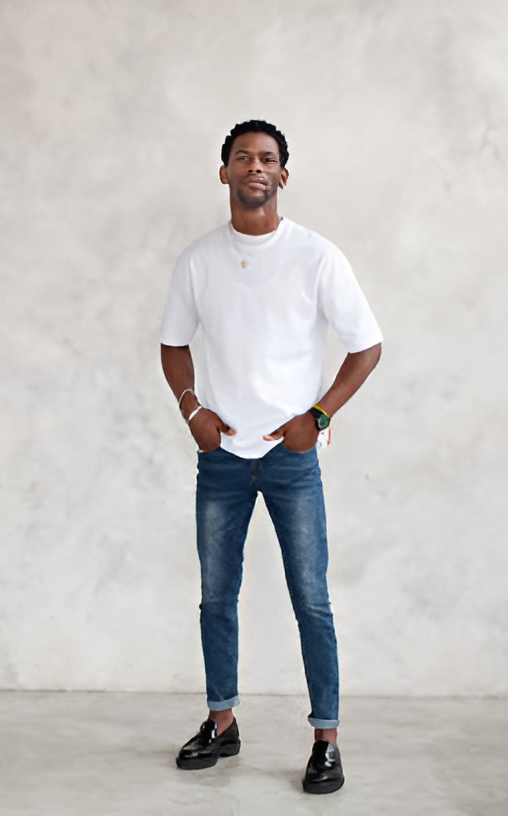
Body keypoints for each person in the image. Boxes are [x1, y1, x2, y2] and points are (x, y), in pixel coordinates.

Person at [158, 120, 383, 795]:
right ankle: (221, 722)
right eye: (242, 157)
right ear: (224, 172)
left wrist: (319, 416)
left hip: (290, 459)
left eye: (267, 159)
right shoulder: (199, 260)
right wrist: (192, 409)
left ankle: (326, 740)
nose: (255, 167)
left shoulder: (315, 256)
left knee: (311, 599)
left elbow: (366, 345)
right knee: (215, 598)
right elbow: (173, 344)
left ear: (283, 175)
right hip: (223, 457)